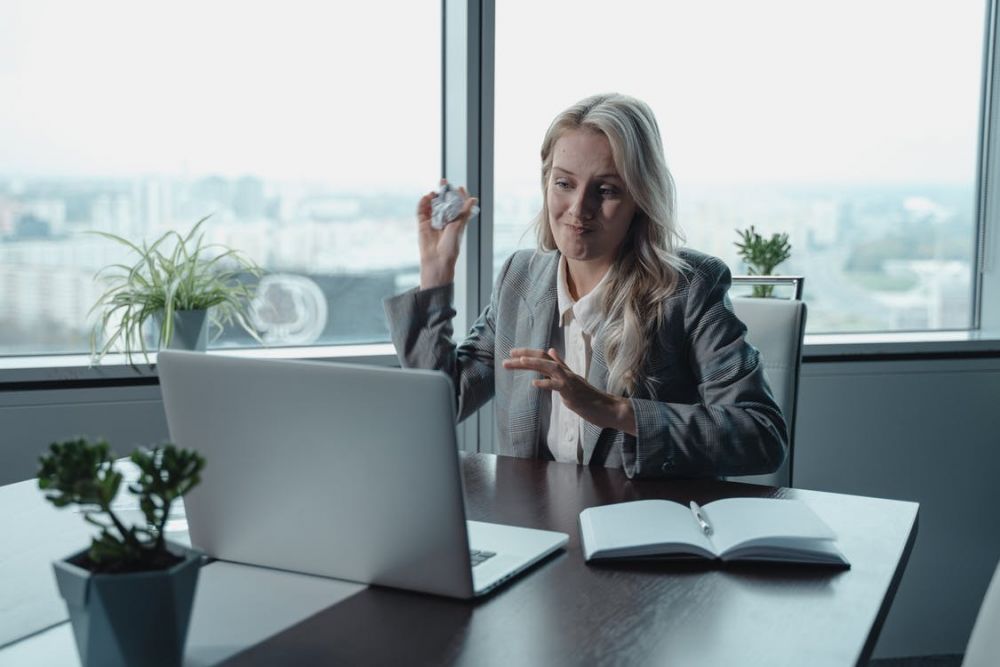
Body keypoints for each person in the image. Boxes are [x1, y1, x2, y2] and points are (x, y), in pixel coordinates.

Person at [384, 93, 786, 479]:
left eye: (606, 190)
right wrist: (437, 272)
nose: (579, 209)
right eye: (564, 184)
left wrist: (613, 410)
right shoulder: (518, 280)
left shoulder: (689, 288)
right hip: (537, 526)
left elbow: (761, 434)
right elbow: (441, 401)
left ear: (640, 200)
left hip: (641, 530)